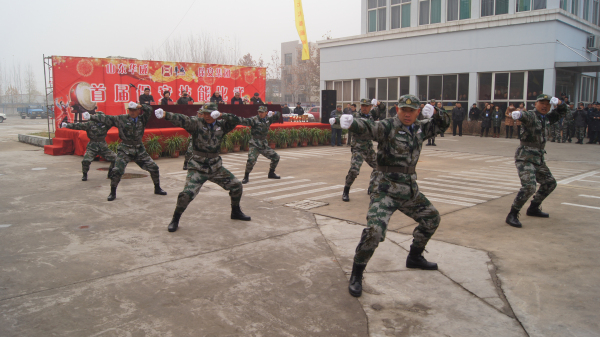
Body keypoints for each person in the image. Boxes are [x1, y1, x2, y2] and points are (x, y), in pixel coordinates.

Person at [336, 95, 450, 298]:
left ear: (417, 111)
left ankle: (415, 256)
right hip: (385, 190)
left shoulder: (421, 128)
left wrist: (436, 111)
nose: (407, 114)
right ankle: (356, 273)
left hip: (408, 190)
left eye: (412, 110)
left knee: (432, 218)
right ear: (397, 109)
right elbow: (369, 127)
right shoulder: (388, 126)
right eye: (404, 110)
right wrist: (352, 123)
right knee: (375, 231)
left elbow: (443, 125)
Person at [154, 103, 251, 232]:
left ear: (215, 113)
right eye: (204, 113)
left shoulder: (221, 125)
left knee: (237, 185)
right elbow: (182, 119)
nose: (206, 116)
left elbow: (237, 120)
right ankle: (175, 219)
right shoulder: (197, 123)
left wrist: (223, 115)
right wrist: (166, 115)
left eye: (209, 113)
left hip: (215, 167)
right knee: (186, 194)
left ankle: (236, 211)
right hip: (198, 167)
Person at [82, 102, 167, 201]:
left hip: (139, 149)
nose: (132, 112)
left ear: (138, 111)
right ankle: (112, 192)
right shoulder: (121, 119)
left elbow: (149, 110)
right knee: (117, 171)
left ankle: (157, 188)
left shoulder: (142, 119)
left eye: (134, 110)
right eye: (130, 110)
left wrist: (142, 106)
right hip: (125, 149)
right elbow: (107, 118)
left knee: (154, 167)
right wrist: (91, 117)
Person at [506, 94, 567, 228]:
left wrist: (560, 103)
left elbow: (563, 111)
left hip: (538, 158)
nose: (545, 106)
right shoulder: (532, 115)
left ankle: (533, 208)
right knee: (529, 187)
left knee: (550, 183)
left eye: (547, 104)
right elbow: (524, 115)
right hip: (525, 157)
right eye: (542, 103)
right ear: (536, 104)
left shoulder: (547, 118)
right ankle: (512, 214)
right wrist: (518, 114)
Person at [330, 98, 377, 202]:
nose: (364, 108)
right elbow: (344, 118)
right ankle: (346, 191)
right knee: (354, 171)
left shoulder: (371, 117)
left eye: (366, 106)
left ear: (370, 107)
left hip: (368, 148)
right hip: (358, 148)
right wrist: (335, 120)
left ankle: (372, 186)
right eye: (363, 106)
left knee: (379, 167)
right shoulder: (355, 116)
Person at [61, 112, 116, 181]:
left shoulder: (106, 124)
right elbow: (78, 126)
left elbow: (115, 122)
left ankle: (110, 173)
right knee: (86, 161)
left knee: (115, 158)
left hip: (103, 147)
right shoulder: (90, 124)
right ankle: (85, 174)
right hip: (92, 146)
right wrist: (67, 125)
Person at [239, 106, 282, 184]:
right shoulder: (254, 119)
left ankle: (271, 173)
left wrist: (273, 113)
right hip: (254, 144)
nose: (260, 114)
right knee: (251, 160)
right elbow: (245, 121)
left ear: (266, 112)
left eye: (262, 112)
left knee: (276, 157)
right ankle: (246, 176)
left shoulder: (269, 119)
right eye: (259, 112)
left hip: (263, 144)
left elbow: (278, 115)